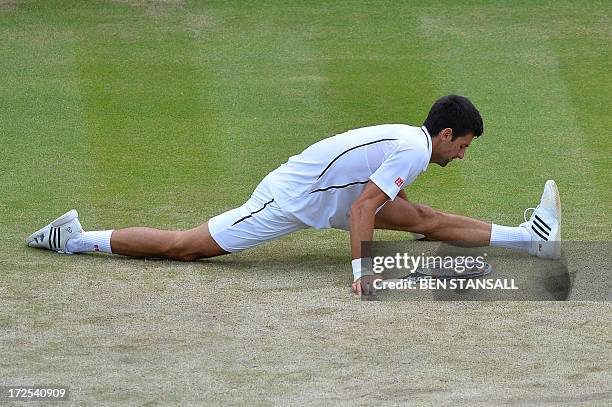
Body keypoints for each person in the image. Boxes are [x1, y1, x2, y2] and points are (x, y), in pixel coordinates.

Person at [26, 95, 561, 295]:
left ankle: (529, 239)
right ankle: (75, 239)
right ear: (446, 134)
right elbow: (361, 208)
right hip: (289, 199)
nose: (462, 155)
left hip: (331, 195)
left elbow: (365, 201)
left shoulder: (410, 142)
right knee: (184, 246)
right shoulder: (415, 150)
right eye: (463, 146)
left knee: (423, 215)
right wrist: (363, 273)